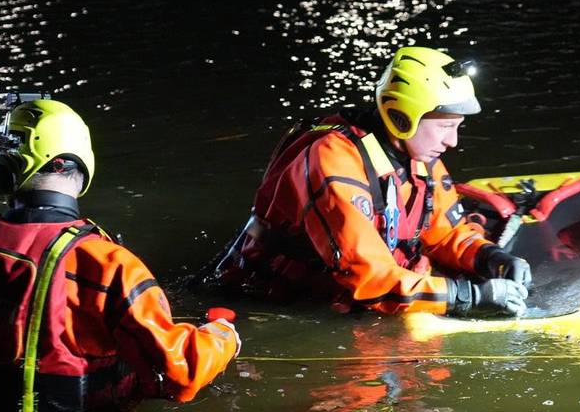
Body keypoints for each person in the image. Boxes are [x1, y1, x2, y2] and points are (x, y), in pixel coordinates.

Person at [0, 96, 240, 412]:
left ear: (5, 170)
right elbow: (179, 373)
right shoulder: (110, 265)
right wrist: (222, 337)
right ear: (79, 167)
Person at [217, 46, 532, 317]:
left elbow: (444, 236)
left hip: (364, 291)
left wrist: (489, 257)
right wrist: (468, 297)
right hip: (275, 301)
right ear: (401, 117)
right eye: (445, 126)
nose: (453, 141)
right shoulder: (334, 159)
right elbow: (368, 279)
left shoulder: (418, 154)